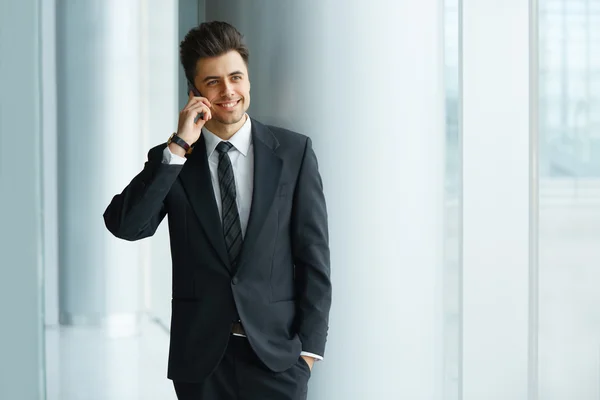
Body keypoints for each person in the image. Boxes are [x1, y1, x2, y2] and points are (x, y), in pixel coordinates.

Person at [103, 21, 331, 400]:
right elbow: (126, 226)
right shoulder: (175, 162)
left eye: (236, 77)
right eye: (213, 82)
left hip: (277, 360)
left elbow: (314, 259)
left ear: (248, 80)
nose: (228, 91)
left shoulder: (293, 153)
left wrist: (308, 353)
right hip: (201, 365)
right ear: (195, 92)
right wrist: (177, 148)